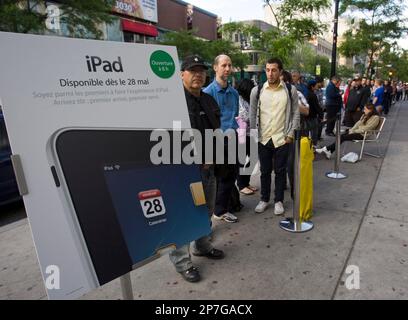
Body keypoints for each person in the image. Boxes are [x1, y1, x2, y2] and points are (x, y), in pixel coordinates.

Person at [169, 55, 225, 283]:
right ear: (182, 74)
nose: (198, 75)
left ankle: (202, 246)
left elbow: (216, 132)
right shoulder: (172, 102)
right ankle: (182, 262)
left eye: (201, 70)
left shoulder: (209, 100)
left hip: (208, 168)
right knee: (184, 216)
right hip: (183, 171)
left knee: (206, 211)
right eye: (192, 70)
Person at [250, 58, 300, 215]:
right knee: (264, 171)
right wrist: (253, 135)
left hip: (282, 138)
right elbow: (252, 114)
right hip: (263, 137)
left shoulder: (290, 90)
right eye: (267, 70)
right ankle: (264, 199)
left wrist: (291, 133)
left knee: (280, 171)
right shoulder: (257, 91)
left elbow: (295, 113)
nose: (270, 73)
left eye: (273, 70)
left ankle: (278, 200)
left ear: (280, 72)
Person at [204, 54, 240, 223]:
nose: (227, 69)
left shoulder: (233, 93)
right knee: (216, 179)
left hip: (232, 138)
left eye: (229, 65)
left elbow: (235, 115)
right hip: (216, 140)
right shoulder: (207, 93)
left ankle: (220, 210)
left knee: (231, 175)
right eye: (224, 65)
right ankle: (215, 213)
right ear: (215, 67)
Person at [315, 103, 380, 159]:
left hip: (364, 135)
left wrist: (354, 131)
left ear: (370, 110)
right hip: (359, 132)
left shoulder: (375, 117)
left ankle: (326, 149)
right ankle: (329, 151)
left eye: (365, 109)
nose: (364, 110)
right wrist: (352, 130)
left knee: (343, 137)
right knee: (342, 135)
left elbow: (367, 128)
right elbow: (358, 124)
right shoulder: (365, 115)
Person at [235, 78, 257, 195]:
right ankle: (241, 185)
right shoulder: (238, 99)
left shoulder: (250, 100)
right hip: (242, 134)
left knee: (253, 159)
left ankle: (246, 182)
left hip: (252, 133)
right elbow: (243, 116)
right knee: (241, 160)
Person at [305, 79, 323, 146]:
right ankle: (313, 146)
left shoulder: (306, 93)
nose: (316, 86)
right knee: (314, 132)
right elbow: (316, 106)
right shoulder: (313, 95)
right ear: (312, 86)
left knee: (306, 133)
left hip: (305, 116)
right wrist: (321, 115)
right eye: (315, 85)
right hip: (312, 116)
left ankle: (306, 146)